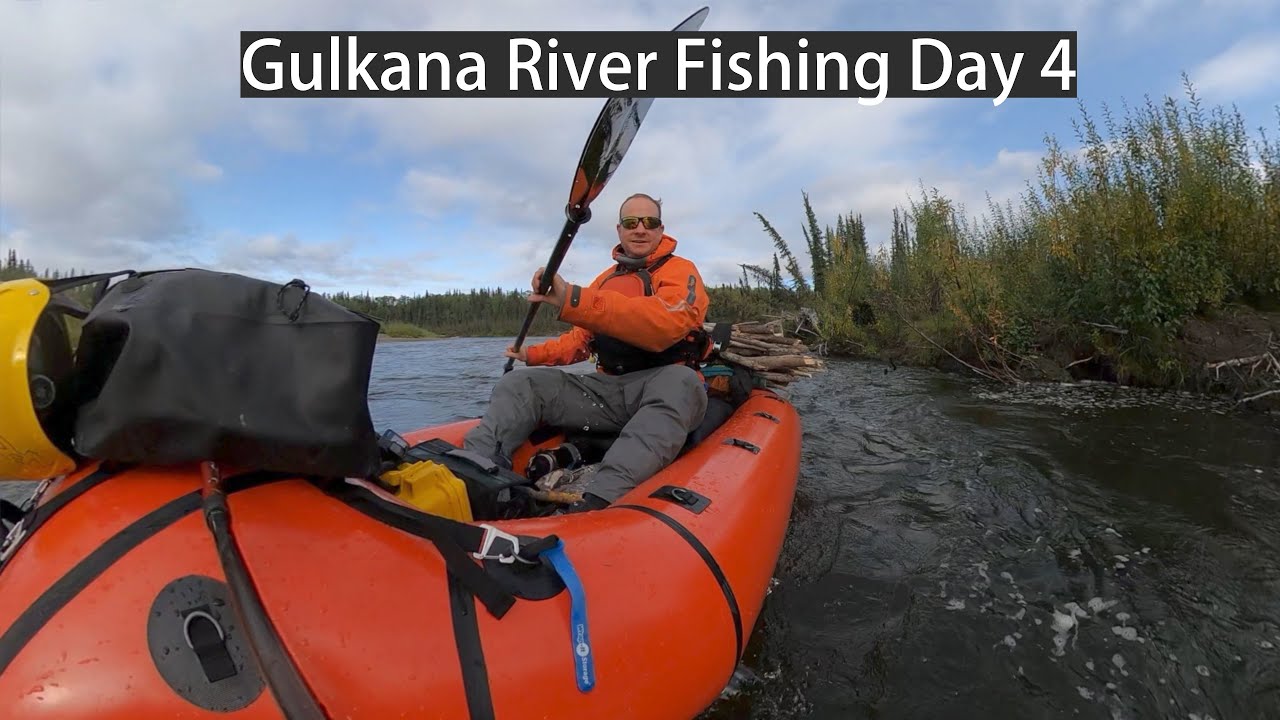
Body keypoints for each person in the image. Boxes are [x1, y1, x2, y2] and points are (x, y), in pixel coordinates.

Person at [462, 193, 711, 512]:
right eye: (630, 222)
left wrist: (573, 299)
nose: (640, 229)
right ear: (619, 230)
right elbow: (580, 341)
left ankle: (597, 499)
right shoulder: (604, 280)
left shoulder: (681, 271)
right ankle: (476, 474)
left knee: (681, 382)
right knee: (521, 383)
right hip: (607, 393)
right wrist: (531, 355)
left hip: (661, 387)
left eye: (650, 222)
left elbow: (665, 323)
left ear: (661, 230)